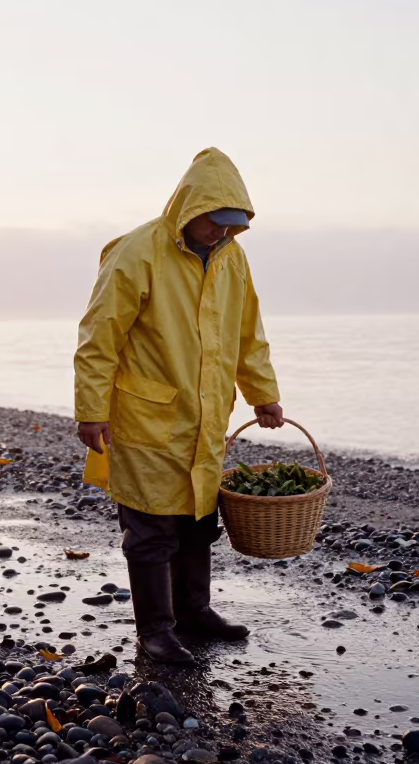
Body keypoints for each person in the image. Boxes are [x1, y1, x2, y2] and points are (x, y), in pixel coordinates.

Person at [73, 147, 284, 664]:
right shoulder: (138, 252)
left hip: (206, 415)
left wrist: (264, 394)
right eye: (217, 223)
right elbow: (100, 336)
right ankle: (156, 632)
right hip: (146, 415)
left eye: (235, 226)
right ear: (192, 209)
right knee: (149, 528)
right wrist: (91, 409)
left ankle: (195, 612)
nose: (224, 234)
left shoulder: (233, 258)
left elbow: (247, 334)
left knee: (197, 519)